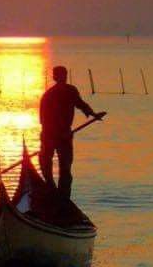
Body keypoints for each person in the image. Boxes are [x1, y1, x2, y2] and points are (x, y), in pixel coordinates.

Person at [39, 66, 105, 198]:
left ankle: (59, 194)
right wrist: (92, 114)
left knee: (62, 166)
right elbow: (44, 119)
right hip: (53, 135)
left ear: (54, 77)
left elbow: (80, 104)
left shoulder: (64, 92)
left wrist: (93, 114)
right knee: (53, 163)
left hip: (60, 135)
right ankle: (54, 190)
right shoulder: (54, 94)